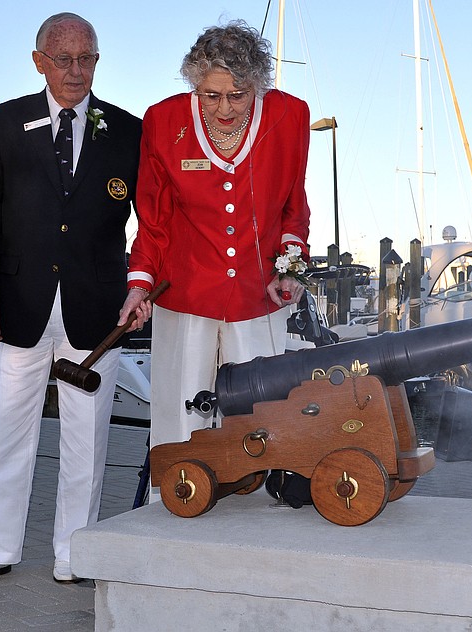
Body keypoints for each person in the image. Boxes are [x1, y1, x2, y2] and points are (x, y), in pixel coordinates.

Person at [0, 12, 146, 585]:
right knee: (8, 434)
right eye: (63, 59)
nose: (76, 70)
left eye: (87, 58)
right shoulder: (0, 123)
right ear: (39, 60)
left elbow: (153, 222)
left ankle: (73, 552)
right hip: (17, 306)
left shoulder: (129, 131)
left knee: (86, 444)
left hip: (97, 311)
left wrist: (143, 285)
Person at [119, 20, 311, 483]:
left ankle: (259, 507)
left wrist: (290, 268)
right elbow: (154, 219)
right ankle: (174, 499)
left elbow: (293, 207)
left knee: (260, 412)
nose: (223, 107)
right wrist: (139, 284)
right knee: (180, 413)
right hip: (185, 293)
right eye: (210, 95)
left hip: (256, 295)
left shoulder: (290, 117)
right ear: (193, 84)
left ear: (259, 86)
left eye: (238, 94)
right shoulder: (163, 121)